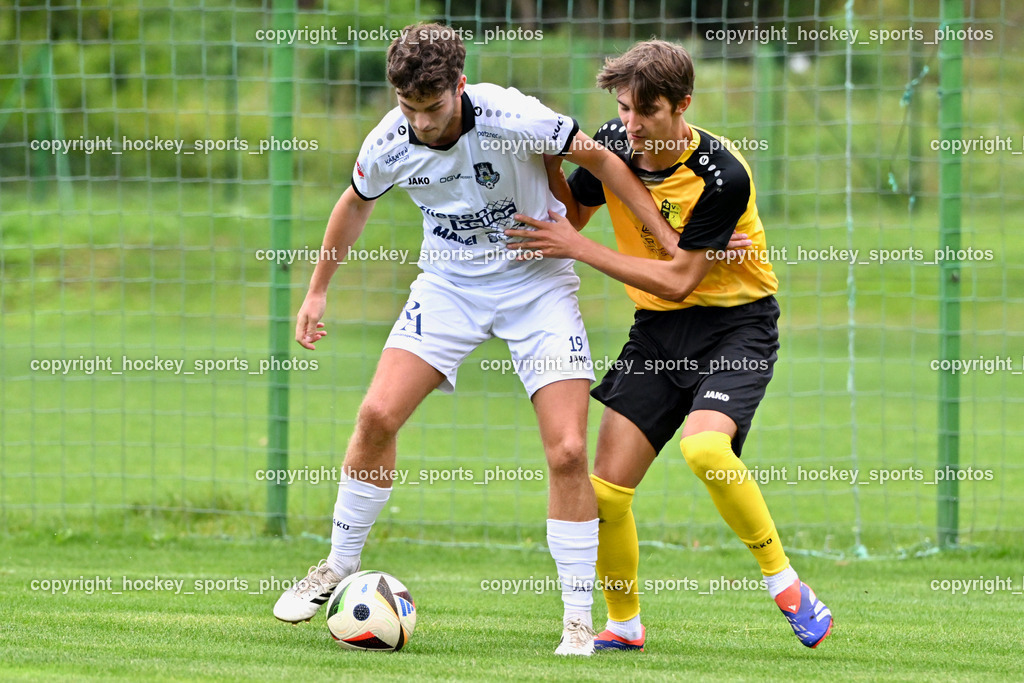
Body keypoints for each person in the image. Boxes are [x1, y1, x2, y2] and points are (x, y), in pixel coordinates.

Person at [271, 23, 684, 657]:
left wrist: (666, 237)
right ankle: (334, 565)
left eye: (431, 109)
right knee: (377, 414)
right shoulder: (389, 140)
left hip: (537, 284)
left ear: (459, 88)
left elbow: (600, 161)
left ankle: (577, 619)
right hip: (449, 288)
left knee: (570, 450)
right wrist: (318, 290)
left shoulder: (513, 113)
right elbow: (354, 203)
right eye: (408, 107)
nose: (420, 122)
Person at [507, 39, 834, 652]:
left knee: (707, 449)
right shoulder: (615, 140)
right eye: (624, 109)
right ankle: (623, 625)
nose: (630, 125)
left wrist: (583, 250)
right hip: (657, 334)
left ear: (682, 104)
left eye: (645, 111)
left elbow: (682, 281)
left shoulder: (722, 174)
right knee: (603, 493)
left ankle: (787, 585)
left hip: (737, 326)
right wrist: (544, 157)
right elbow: (571, 215)